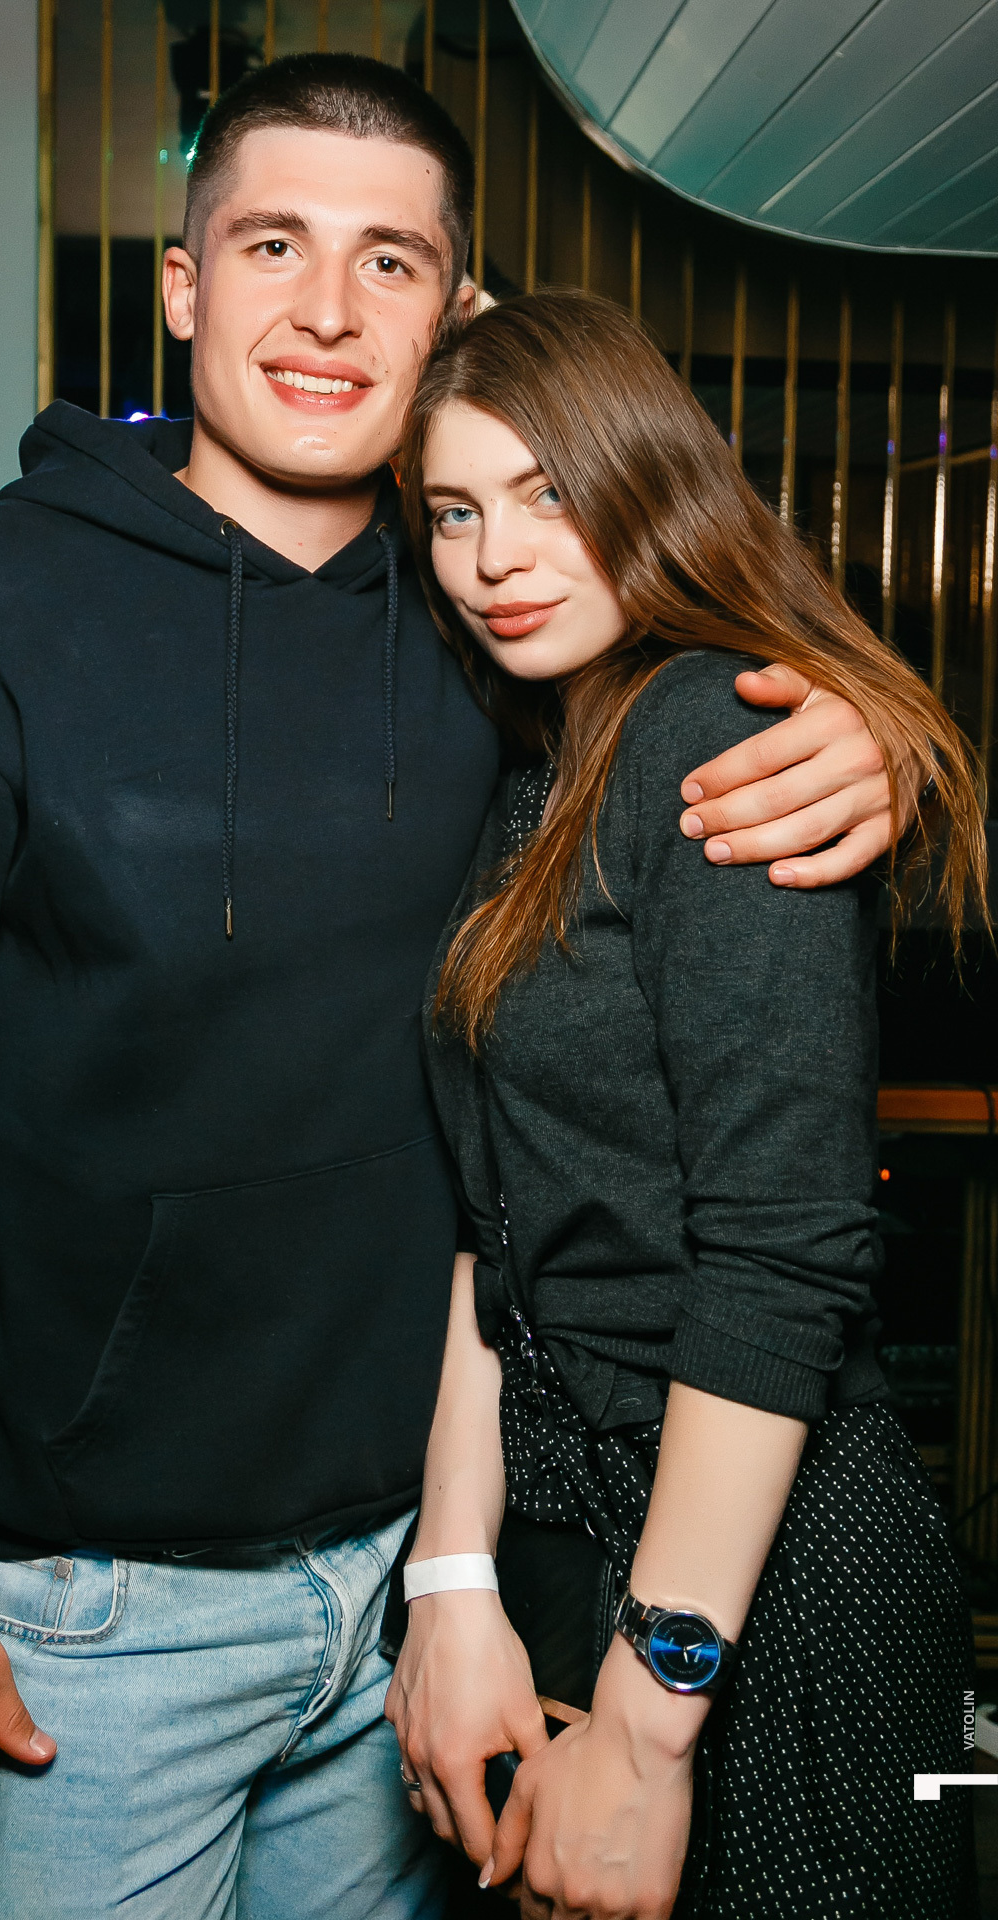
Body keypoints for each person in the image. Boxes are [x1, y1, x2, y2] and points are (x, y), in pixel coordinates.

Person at [0, 57, 914, 1920]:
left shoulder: (489, 632)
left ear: (455, 315)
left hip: (439, 1590)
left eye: (391, 262)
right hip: (92, 1616)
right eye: (273, 243)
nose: (327, 311)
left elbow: (685, 718)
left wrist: (862, 744)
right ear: (184, 282)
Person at [385, 287, 986, 1919]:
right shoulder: (544, 765)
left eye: (548, 492)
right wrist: (453, 1577)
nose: (496, 557)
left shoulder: (718, 732)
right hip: (589, 1541)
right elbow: (493, 1231)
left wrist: (652, 1724)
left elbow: (782, 1255)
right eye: (455, 511)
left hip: (762, 1584)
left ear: (645, 482)